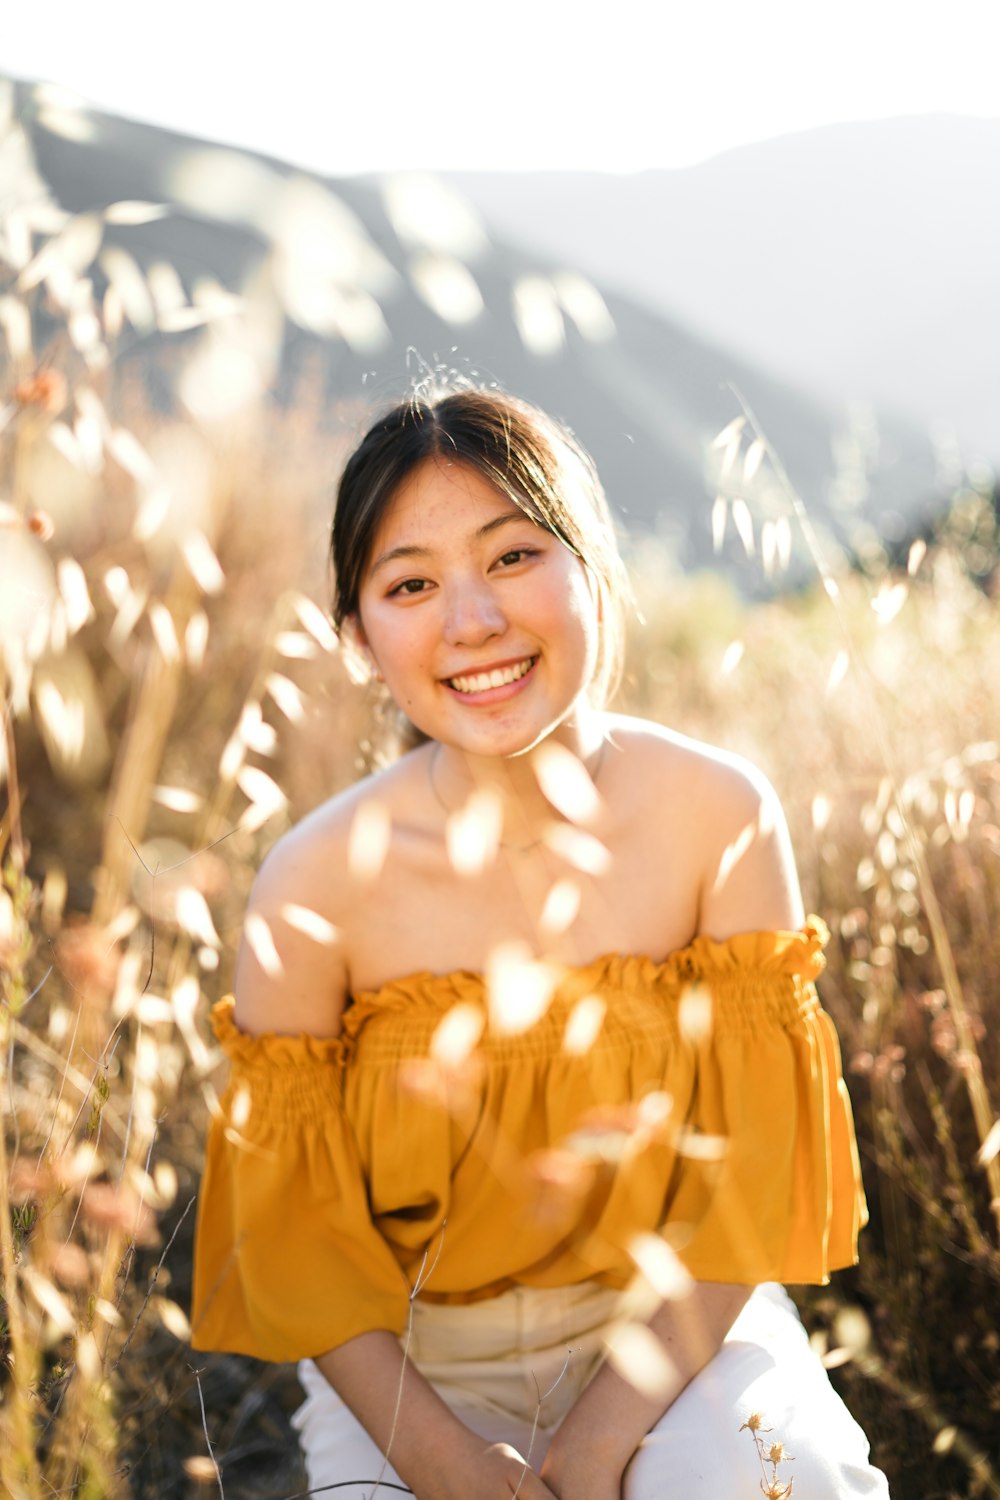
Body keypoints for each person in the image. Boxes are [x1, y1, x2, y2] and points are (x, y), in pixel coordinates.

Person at [191, 388, 889, 1499]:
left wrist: (606, 1435)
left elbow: (749, 1181)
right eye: (410, 584)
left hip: (679, 1342)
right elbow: (305, 1250)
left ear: (591, 567)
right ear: (361, 639)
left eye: (512, 556)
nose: (471, 621)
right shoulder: (311, 885)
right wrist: (444, 1462)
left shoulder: (718, 815)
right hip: (410, 1378)